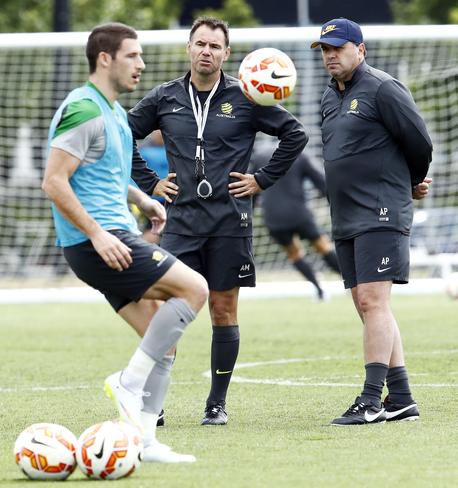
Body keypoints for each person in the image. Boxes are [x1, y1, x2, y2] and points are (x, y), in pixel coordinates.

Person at [41, 22, 209, 461]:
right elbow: (55, 182)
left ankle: (146, 440)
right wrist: (97, 235)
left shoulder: (113, 112)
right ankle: (127, 384)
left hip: (115, 234)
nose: (142, 64)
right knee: (195, 289)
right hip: (96, 241)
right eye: (133, 56)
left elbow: (109, 176)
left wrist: (143, 198)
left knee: (163, 337)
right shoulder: (83, 108)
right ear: (105, 59)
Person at [129, 16, 308, 425]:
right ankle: (152, 405)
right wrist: (150, 183)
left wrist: (261, 179)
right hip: (181, 224)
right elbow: (123, 135)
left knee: (223, 310)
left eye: (215, 46)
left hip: (230, 222)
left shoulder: (247, 95)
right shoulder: (164, 97)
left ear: (227, 54)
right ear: (188, 49)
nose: (206, 51)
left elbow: (294, 134)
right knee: (164, 310)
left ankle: (216, 404)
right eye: (200, 44)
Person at [310, 17, 433, 425]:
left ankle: (371, 400)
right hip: (345, 215)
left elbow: (420, 142)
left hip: (382, 210)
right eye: (325, 50)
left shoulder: (383, 88)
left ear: (359, 50)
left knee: (373, 302)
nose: (330, 56)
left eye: (338, 48)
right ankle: (400, 397)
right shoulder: (328, 98)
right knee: (366, 307)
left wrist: (411, 182)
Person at [251, 146, 341, 300]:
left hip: (273, 218)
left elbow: (251, 187)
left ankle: (320, 291)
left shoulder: (260, 156)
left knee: (294, 254)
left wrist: (248, 213)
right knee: (323, 247)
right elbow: (322, 183)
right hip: (298, 214)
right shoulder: (300, 154)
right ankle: (351, 281)